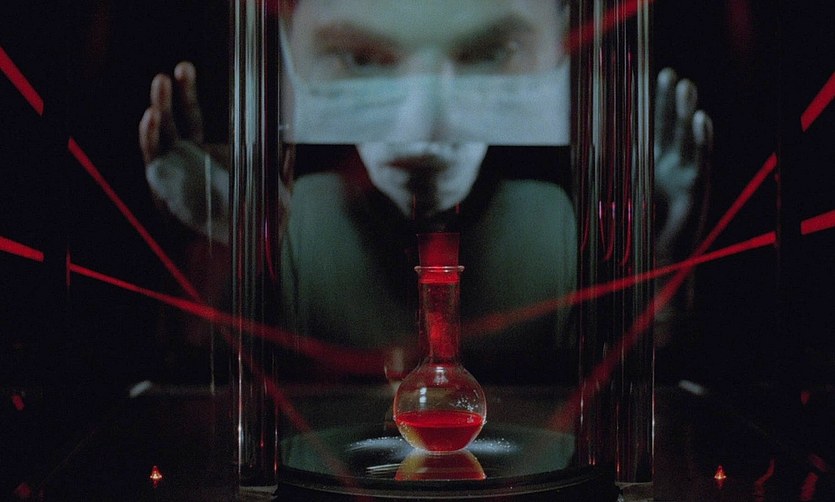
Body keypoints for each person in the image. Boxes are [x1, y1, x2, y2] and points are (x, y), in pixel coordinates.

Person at [138, 0, 712, 383]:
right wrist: (215, 255)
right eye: (361, 58)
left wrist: (656, 271)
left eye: (490, 54)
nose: (422, 128)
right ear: (287, 56)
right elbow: (201, 407)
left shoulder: (554, 227)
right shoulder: (301, 223)